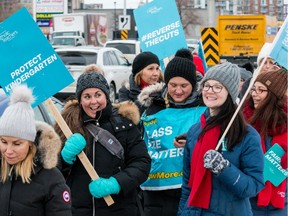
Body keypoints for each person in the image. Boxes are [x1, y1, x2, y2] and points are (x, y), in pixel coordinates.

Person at [54, 64, 151, 216]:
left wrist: (116, 183)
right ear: (80, 100)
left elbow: (142, 163)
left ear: (106, 95)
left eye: (98, 95)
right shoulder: (67, 126)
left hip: (120, 209)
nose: (93, 102)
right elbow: (52, 172)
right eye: (87, 96)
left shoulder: (123, 123)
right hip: (78, 210)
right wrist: (64, 159)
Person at [178, 62, 265, 215]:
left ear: (230, 92)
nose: (210, 91)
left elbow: (253, 187)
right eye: (207, 85)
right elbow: (187, 184)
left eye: (218, 87)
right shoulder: (195, 131)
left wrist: (224, 168)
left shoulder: (247, 135)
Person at [138, 48, 206, 216]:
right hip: (157, 194)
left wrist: (193, 142)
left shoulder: (205, 108)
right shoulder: (153, 108)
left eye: (184, 86)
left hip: (194, 188)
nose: (178, 91)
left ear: (193, 84)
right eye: (173, 85)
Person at [0, 85, 72, 216]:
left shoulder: (51, 179)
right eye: (4, 142)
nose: (8, 151)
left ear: (30, 143)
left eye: (17, 144)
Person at [243, 68, 288, 215]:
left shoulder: (285, 124)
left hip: (282, 203)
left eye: (261, 90)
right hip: (249, 199)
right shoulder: (243, 120)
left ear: (274, 96)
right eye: (254, 89)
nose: (254, 94)